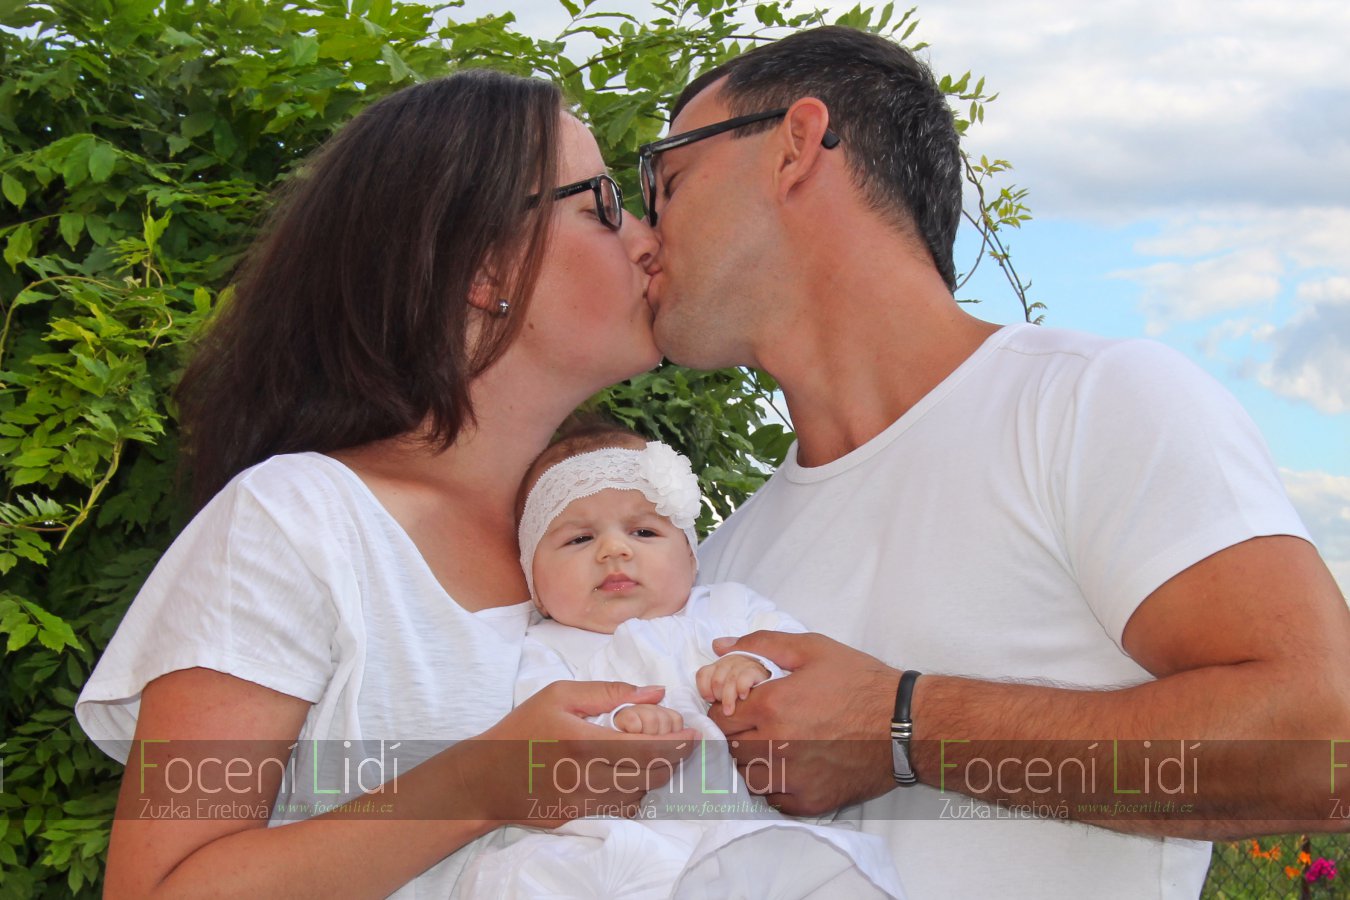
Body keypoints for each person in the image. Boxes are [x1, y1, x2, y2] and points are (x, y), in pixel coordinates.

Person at [637, 24, 1350, 900]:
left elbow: (1325, 743)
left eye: (667, 179)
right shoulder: (718, 570)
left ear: (795, 147)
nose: (643, 233)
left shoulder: (1093, 404)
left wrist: (904, 727)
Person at [73, 70, 701, 897]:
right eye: (601, 205)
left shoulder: (633, 534)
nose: (647, 241)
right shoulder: (299, 521)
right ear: (482, 266)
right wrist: (484, 784)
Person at [456, 424, 906, 899]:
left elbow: (804, 665)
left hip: (756, 837)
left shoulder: (730, 608)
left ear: (692, 557)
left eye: (644, 531)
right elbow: (544, 740)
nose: (614, 550)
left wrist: (754, 665)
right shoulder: (544, 648)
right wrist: (614, 724)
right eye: (579, 539)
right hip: (623, 847)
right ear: (534, 584)